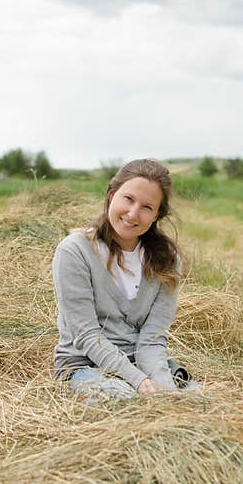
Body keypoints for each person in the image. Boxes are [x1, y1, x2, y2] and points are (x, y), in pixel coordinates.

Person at [51, 158, 197, 402]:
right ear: (111, 196)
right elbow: (87, 335)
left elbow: (152, 338)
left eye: (147, 207)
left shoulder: (167, 262)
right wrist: (138, 382)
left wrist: (164, 390)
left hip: (142, 362)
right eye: (128, 199)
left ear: (157, 216)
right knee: (125, 404)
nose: (133, 213)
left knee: (196, 403)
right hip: (84, 364)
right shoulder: (75, 251)